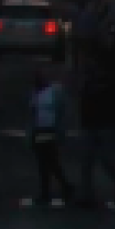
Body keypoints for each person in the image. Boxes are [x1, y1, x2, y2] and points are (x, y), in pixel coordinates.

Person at [76, 43, 115, 208]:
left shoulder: (113, 80)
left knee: (106, 159)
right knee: (86, 161)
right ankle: (86, 196)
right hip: (91, 122)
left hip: (106, 124)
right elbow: (84, 99)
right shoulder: (90, 79)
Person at [28, 64, 75, 207]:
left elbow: (62, 110)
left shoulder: (54, 91)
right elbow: (33, 113)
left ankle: (53, 190)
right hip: (40, 130)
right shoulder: (35, 94)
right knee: (47, 161)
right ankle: (61, 187)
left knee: (47, 161)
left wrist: (61, 130)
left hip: (50, 129)